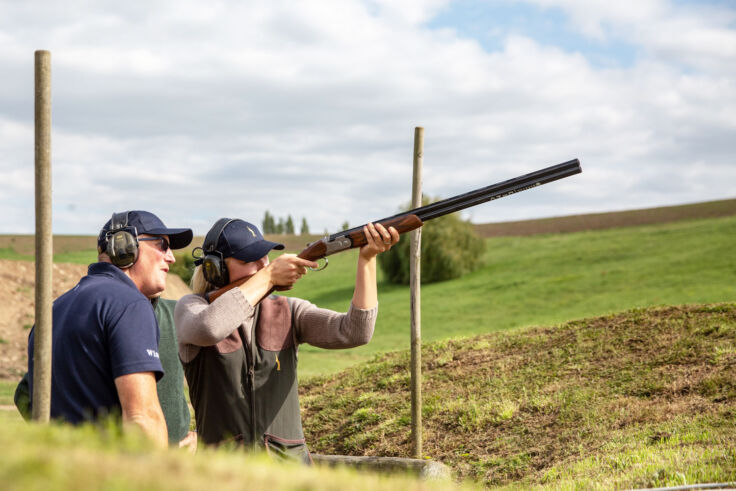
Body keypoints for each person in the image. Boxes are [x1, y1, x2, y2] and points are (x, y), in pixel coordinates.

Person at [174, 218, 399, 462]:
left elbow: (356, 332)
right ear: (215, 269)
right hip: (226, 475)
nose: (262, 265)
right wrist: (269, 277)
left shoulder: (289, 311)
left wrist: (367, 260)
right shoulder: (192, 308)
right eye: (249, 260)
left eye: (265, 257)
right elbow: (210, 328)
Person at [24, 210, 192, 448]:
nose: (171, 258)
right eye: (162, 245)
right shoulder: (130, 304)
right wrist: (162, 472)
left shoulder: (52, 311)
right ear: (124, 246)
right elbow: (141, 419)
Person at [15, 296, 196, 450]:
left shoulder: (178, 313)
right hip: (114, 466)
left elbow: (217, 382)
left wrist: (199, 435)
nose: (170, 258)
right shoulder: (89, 317)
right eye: (163, 251)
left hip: (175, 464)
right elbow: (26, 392)